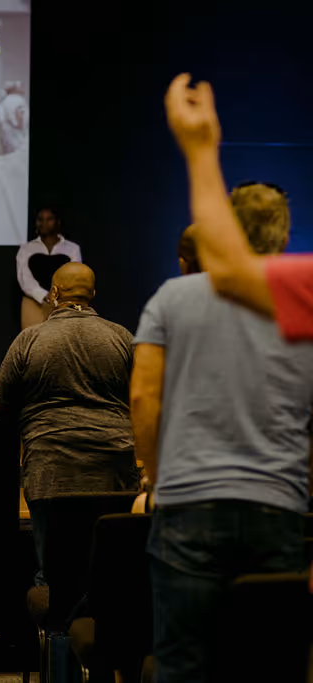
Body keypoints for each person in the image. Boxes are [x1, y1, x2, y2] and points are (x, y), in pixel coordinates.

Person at [130, 183, 313, 683]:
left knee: (185, 668)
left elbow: (145, 398)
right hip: (277, 508)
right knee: (270, 668)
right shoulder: (304, 300)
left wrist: (156, 479)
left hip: (187, 506)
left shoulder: (173, 297)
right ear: (283, 237)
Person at [0, 263, 139, 584]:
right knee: (112, 577)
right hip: (114, 475)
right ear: (93, 294)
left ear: (53, 294)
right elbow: (143, 400)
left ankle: (57, 633)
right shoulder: (122, 337)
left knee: (55, 579)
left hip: (51, 476)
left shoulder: (30, 339)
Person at [163, 73, 313, 340]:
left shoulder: (174, 299)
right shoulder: (299, 290)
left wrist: (200, 149)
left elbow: (229, 271)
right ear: (286, 236)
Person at [16, 208, 83, 329]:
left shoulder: (72, 249)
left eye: (49, 219)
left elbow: (75, 276)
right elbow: (24, 278)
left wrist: (57, 298)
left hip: (63, 304)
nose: (44, 223)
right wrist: (43, 296)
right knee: (34, 343)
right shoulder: (26, 249)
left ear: (57, 222)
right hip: (34, 303)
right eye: (40, 219)